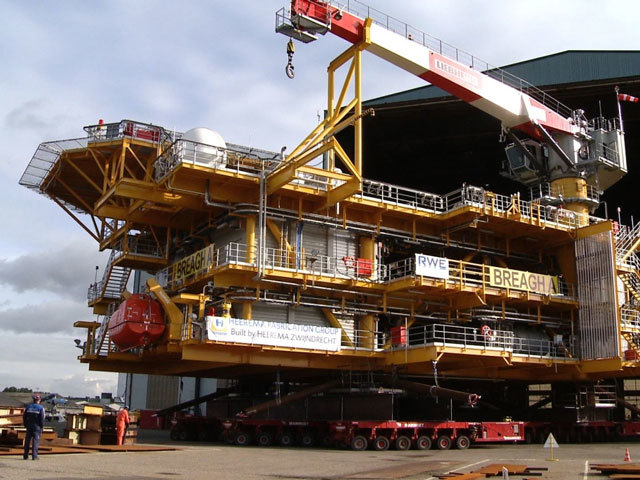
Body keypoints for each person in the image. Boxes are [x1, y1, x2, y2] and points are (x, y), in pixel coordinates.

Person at [23, 394, 45, 460]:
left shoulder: (28, 407)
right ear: (39, 400)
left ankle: (25, 455)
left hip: (29, 426)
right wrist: (41, 426)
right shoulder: (41, 408)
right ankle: (34, 456)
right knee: (35, 441)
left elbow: (24, 417)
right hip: (37, 427)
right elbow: (42, 418)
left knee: (27, 441)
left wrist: (26, 425)